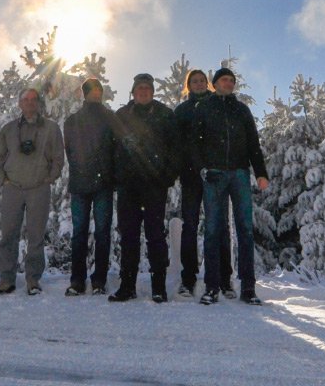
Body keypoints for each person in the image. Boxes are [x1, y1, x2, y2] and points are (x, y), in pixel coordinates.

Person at [191, 67, 269, 305]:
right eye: (225, 80)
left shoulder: (241, 110)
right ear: (215, 83)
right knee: (213, 231)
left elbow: (253, 143)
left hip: (239, 174)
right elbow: (194, 144)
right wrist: (202, 168)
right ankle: (211, 287)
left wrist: (261, 173)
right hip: (214, 175)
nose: (229, 83)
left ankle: (248, 288)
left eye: (232, 80)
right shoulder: (203, 108)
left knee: (245, 230)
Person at [110, 73, 178, 303]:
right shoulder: (121, 116)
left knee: (155, 236)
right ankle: (127, 286)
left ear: (152, 91)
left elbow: (175, 149)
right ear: (133, 91)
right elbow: (112, 149)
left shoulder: (164, 114)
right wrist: (117, 178)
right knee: (128, 236)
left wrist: (167, 176)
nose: (143, 91)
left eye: (147, 88)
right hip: (128, 187)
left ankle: (159, 287)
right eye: (139, 88)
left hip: (154, 186)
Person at [0, 88, 65, 295]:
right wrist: (2, 180)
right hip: (12, 188)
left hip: (39, 188)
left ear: (38, 103)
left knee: (36, 237)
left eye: (33, 99)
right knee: (8, 236)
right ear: (20, 104)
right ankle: (6, 280)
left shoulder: (50, 128)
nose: (30, 103)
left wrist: (51, 177)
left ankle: (33, 280)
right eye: (26, 100)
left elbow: (59, 156)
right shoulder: (9, 129)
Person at [173, 68, 232, 297]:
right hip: (190, 176)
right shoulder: (182, 111)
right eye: (194, 81)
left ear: (207, 83)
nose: (198, 84)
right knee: (190, 226)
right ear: (188, 86)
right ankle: (188, 279)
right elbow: (175, 143)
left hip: (216, 175)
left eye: (201, 80)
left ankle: (223, 278)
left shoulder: (217, 105)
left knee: (219, 226)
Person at [62, 77, 117, 296]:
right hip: (80, 184)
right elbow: (70, 151)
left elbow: (116, 149)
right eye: (92, 90)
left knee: (103, 233)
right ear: (84, 94)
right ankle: (77, 280)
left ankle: (99, 280)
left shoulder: (111, 119)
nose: (96, 93)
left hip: (104, 184)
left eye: (99, 90)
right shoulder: (72, 121)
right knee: (79, 234)